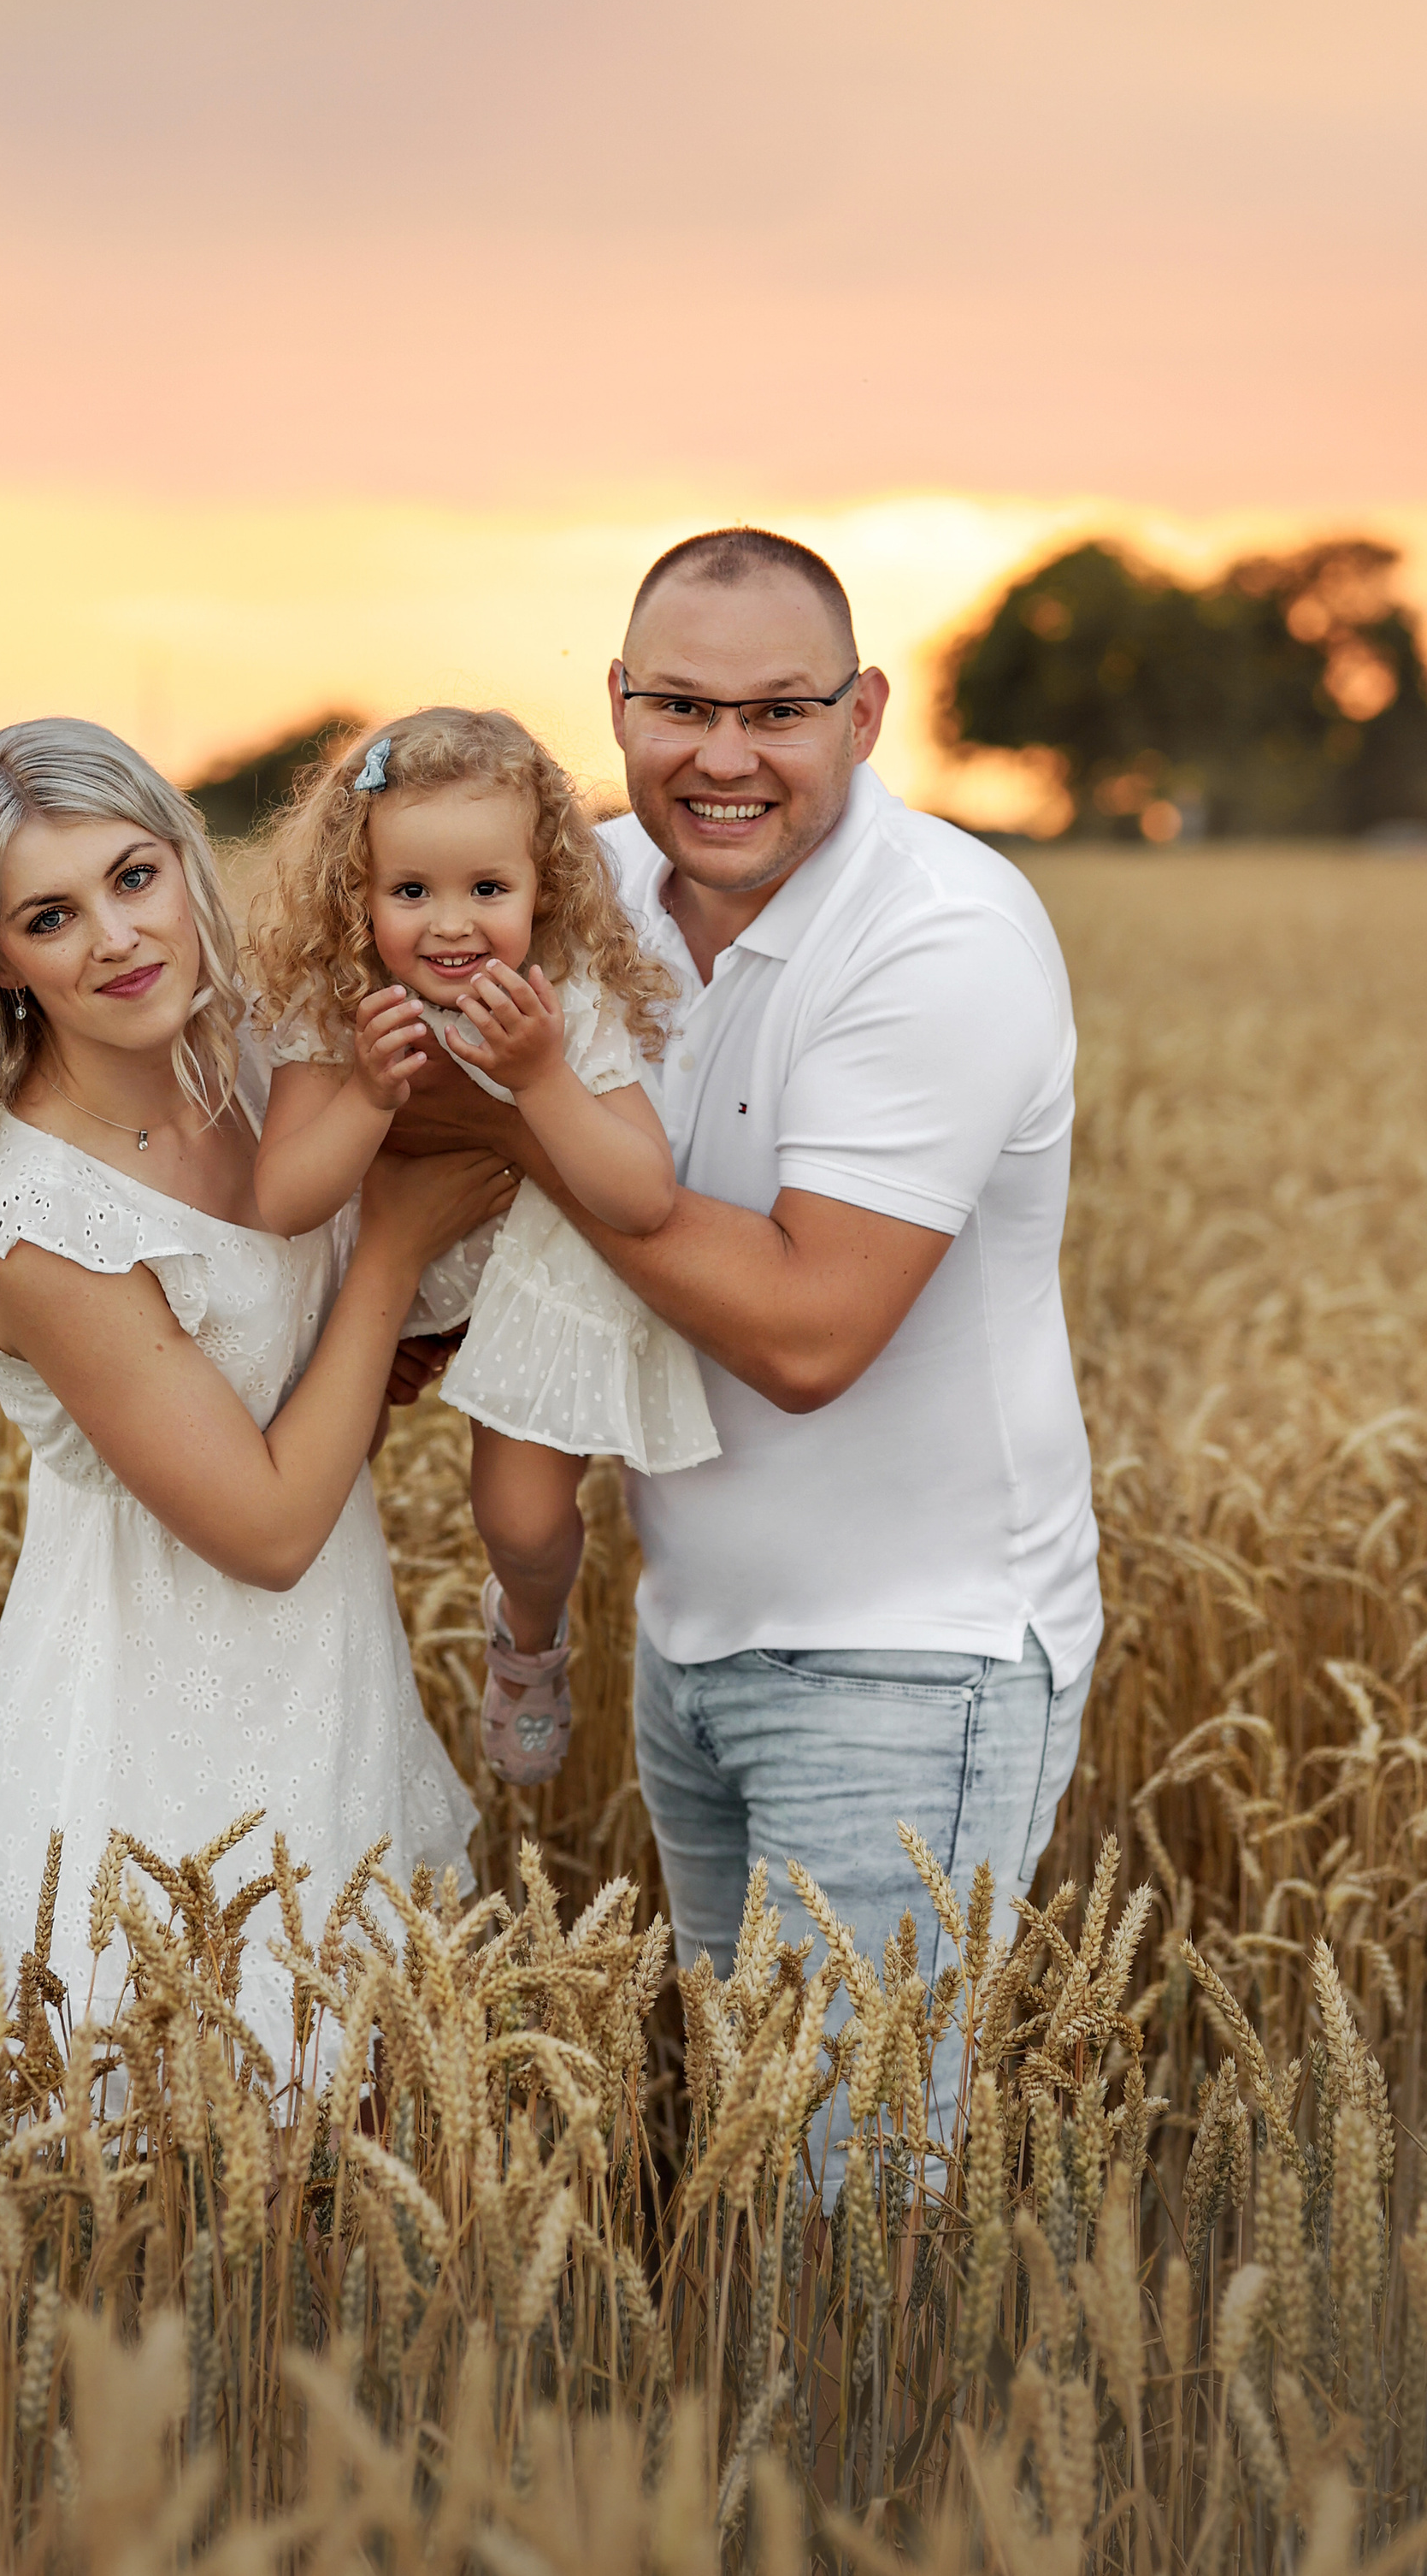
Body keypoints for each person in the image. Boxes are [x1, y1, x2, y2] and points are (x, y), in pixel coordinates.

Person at [392, 532, 1102, 2128]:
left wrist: (515, 1132)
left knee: (854, 2205)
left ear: (863, 715)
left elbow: (805, 1330)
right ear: (619, 705)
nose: (723, 756)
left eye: (778, 710)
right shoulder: (587, 885)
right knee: (747, 2145)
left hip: (916, 1663)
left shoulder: (942, 938)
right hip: (691, 1632)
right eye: (679, 705)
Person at [0, 716, 504, 2070]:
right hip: (153, 1716)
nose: (115, 936)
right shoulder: (42, 1223)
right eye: (52, 915)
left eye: (133, 876)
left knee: (355, 2115)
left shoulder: (262, 1065)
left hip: (332, 1670)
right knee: (180, 2130)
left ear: (182, 861)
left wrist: (385, 1325)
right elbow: (269, 1530)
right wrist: (391, 1253)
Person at [247, 706, 717, 1787]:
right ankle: (299, 1670)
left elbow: (642, 1197)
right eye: (411, 891)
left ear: (542, 887)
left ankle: (529, 1641)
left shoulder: (568, 1001)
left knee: (523, 1515)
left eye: (487, 890)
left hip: (530, 1278)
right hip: (384, 1269)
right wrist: (368, 1090)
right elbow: (283, 1195)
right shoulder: (334, 1005)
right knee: (311, 1470)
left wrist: (543, 1074)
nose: (450, 924)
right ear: (355, 896)